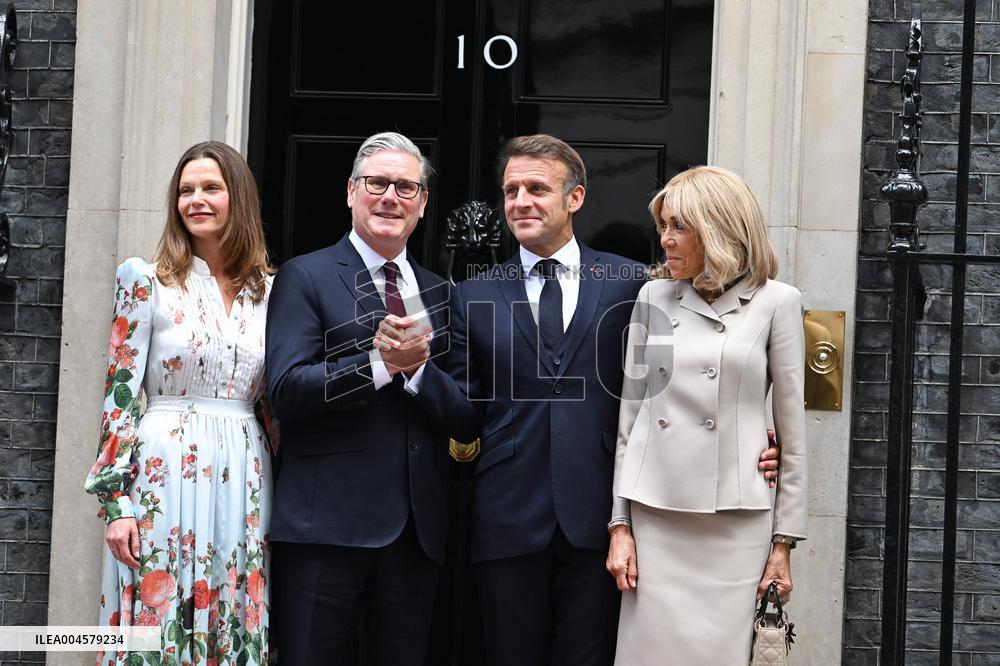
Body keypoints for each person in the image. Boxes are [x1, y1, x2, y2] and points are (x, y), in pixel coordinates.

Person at [384, 135, 781, 666]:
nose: (520, 201)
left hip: (606, 519)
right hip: (507, 520)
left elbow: (687, 378)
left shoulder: (632, 284)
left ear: (575, 198)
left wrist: (756, 434)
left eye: (536, 188)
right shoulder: (474, 294)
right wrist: (417, 370)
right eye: (511, 191)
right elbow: (465, 415)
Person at [606, 166, 808, 664]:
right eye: (662, 226)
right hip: (657, 512)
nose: (665, 240)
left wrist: (784, 544)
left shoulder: (777, 302)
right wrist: (619, 526)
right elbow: (630, 420)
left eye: (678, 226)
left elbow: (793, 434)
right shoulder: (652, 297)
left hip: (734, 521)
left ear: (716, 230)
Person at [85, 141, 275, 665]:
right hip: (163, 469)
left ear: (239, 198)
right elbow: (120, 393)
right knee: (157, 607)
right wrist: (116, 503)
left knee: (234, 601)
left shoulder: (270, 292)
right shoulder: (146, 281)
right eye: (185, 190)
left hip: (244, 472)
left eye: (211, 188)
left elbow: (273, 401)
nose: (196, 200)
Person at [264, 132, 451, 665]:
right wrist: (379, 366)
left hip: (415, 537)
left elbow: (466, 413)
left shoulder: (440, 291)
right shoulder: (306, 276)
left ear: (422, 204)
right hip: (326, 528)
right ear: (351, 191)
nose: (390, 196)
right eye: (377, 183)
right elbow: (286, 390)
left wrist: (416, 371)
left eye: (405, 187)